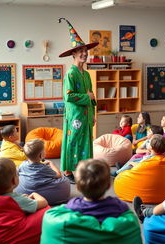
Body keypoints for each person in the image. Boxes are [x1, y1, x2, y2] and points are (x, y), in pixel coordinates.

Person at [58, 18, 99, 184]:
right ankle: (68, 170)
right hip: (75, 115)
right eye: (80, 51)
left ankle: (83, 169)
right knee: (73, 141)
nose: (84, 54)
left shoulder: (87, 74)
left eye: (85, 51)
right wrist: (87, 97)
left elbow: (91, 95)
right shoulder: (71, 73)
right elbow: (68, 95)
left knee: (86, 141)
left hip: (86, 114)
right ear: (73, 54)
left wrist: (93, 111)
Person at [15, 139, 71, 205]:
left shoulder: (23, 164)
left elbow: (17, 172)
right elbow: (59, 175)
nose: (45, 151)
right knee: (65, 180)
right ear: (40, 155)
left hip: (24, 191)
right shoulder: (44, 168)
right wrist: (51, 163)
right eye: (44, 150)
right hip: (44, 190)